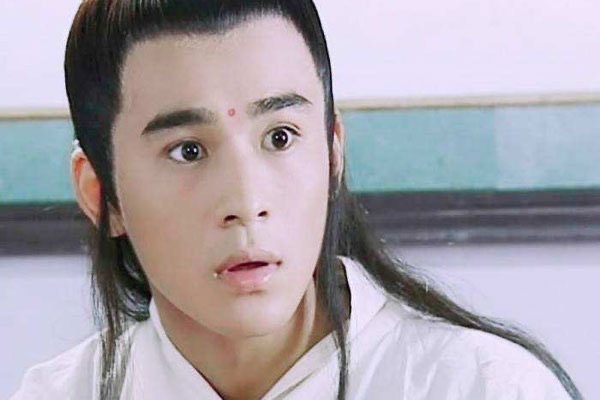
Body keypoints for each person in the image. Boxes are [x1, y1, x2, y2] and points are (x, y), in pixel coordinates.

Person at [11, 1, 582, 399]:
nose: (246, 202)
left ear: (332, 154)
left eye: (280, 138)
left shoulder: (479, 386)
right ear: (101, 194)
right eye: (188, 151)